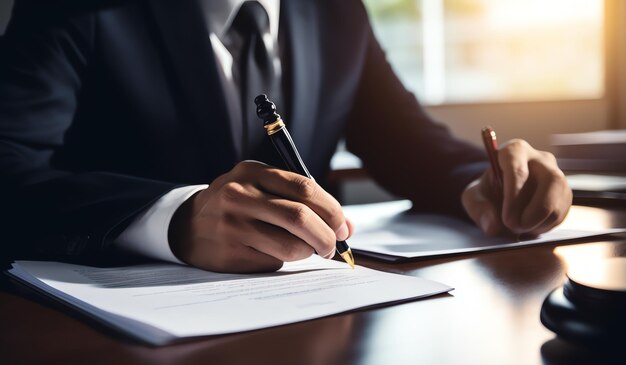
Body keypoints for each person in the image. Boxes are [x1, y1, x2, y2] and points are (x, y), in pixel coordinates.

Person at [0, 0, 572, 272]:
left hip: (310, 331)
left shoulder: (335, 12)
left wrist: (485, 178)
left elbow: (409, 143)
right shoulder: (74, 10)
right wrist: (174, 218)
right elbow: (9, 170)